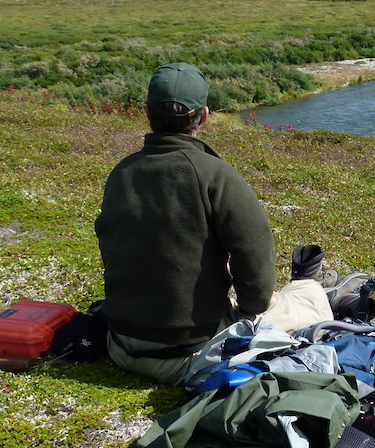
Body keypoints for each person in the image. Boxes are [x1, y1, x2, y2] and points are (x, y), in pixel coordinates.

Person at [95, 62, 333, 384]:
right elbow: (255, 256)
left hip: (121, 345)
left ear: (147, 112)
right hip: (190, 355)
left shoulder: (120, 173)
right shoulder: (214, 174)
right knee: (311, 297)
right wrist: (252, 308)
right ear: (204, 116)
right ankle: (309, 284)